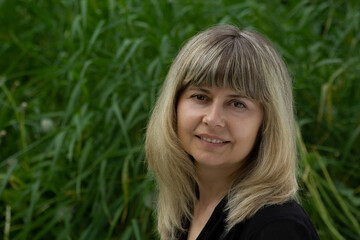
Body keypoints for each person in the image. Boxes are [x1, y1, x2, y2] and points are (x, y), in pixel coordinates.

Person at [145, 25, 320, 240]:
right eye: (200, 97)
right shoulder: (186, 209)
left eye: (237, 104)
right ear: (174, 106)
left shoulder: (277, 227)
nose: (213, 119)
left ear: (266, 122)